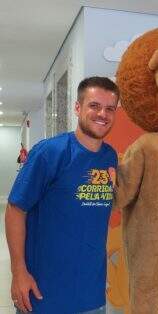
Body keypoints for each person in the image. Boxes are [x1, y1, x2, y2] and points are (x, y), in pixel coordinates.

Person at [5, 76, 119, 314]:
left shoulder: (110, 157)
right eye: (94, 106)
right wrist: (18, 272)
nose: (103, 114)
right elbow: (16, 210)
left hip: (91, 294)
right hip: (43, 293)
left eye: (110, 109)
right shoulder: (49, 152)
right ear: (78, 108)